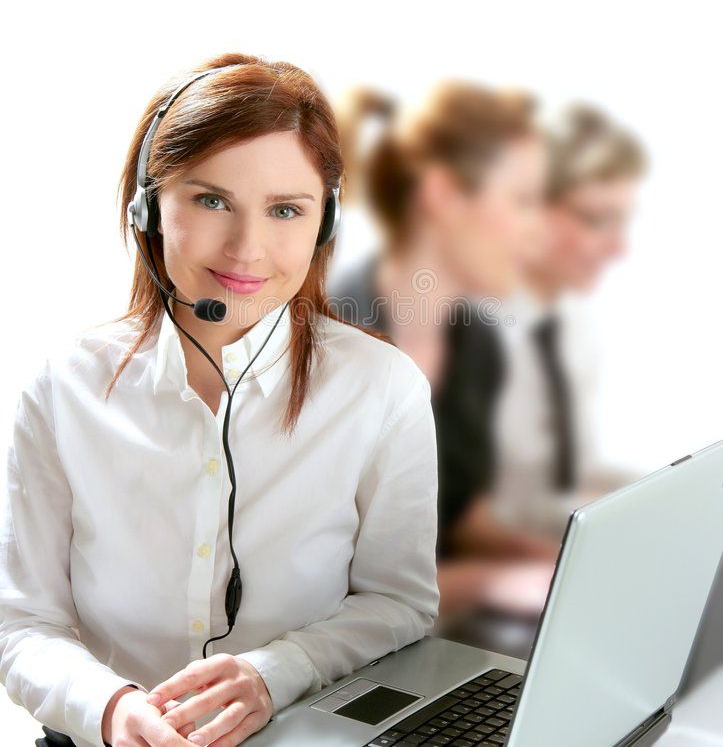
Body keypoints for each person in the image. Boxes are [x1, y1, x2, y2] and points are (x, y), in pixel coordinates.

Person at [0, 53, 440, 747]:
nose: (246, 248)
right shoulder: (65, 388)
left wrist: (277, 671)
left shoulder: (381, 388)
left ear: (324, 225)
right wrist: (111, 710)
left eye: (286, 210)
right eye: (210, 200)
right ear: (147, 207)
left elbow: (398, 603)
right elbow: (22, 626)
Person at [327, 80, 558, 625]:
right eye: (522, 201)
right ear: (443, 195)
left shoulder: (475, 342)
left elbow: (457, 514)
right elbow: (325, 596)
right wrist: (489, 581)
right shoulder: (330, 346)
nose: (539, 232)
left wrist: (560, 562)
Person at [492, 102, 649, 543]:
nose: (619, 248)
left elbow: (566, 480)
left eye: (624, 221)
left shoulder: (573, 321)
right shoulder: (459, 330)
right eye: (597, 220)